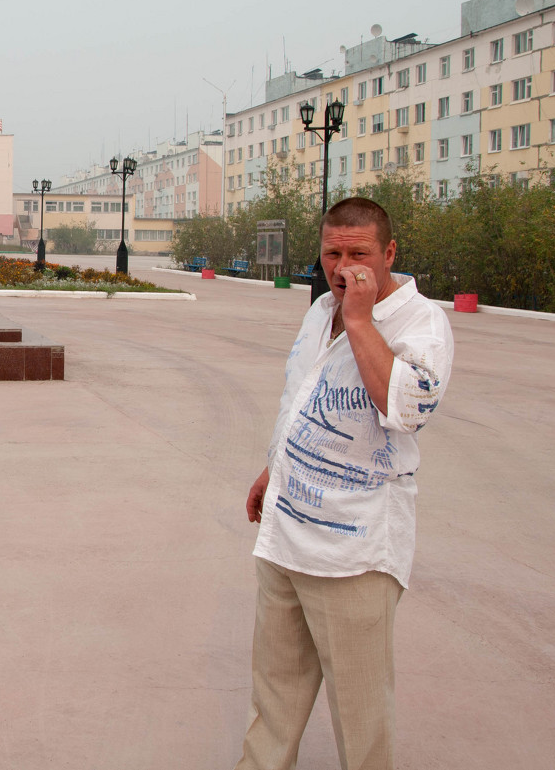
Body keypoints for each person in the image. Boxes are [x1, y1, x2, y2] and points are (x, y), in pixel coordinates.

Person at [234, 197, 454, 770]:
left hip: (353, 551)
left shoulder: (421, 322)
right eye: (332, 253)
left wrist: (360, 319)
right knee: (274, 696)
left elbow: (405, 409)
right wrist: (271, 468)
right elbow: (300, 398)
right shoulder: (319, 310)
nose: (343, 267)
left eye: (359, 253)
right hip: (286, 535)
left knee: (360, 714)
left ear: (389, 253)